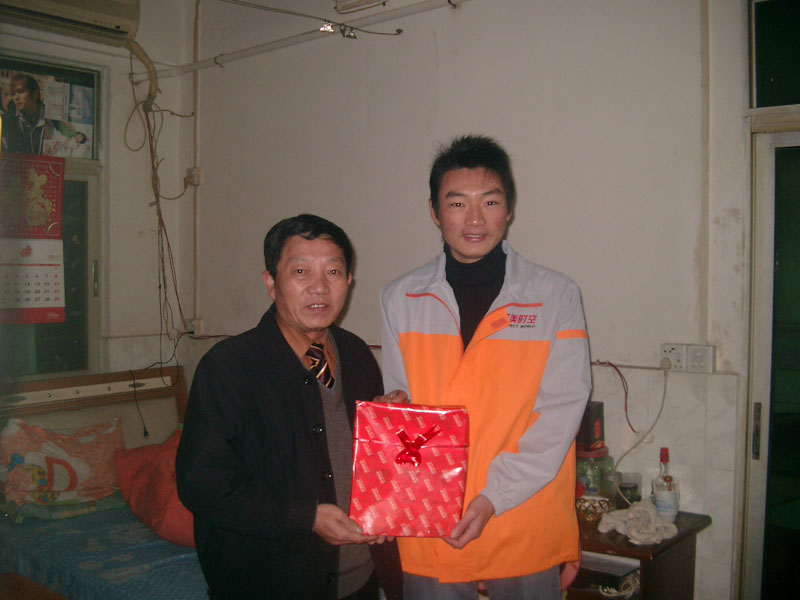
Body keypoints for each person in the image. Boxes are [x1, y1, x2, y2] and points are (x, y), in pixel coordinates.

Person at [380, 135, 591, 599]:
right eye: (457, 203)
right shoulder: (401, 298)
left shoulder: (554, 296)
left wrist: (495, 495)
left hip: (523, 515)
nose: (474, 219)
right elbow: (402, 409)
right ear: (435, 212)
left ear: (509, 209)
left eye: (490, 202)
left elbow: (560, 414)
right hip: (434, 520)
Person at [176, 214, 403, 600]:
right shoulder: (229, 368)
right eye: (301, 271)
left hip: (361, 580)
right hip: (272, 583)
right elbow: (202, 484)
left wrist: (391, 421)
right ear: (271, 283)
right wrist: (306, 517)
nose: (319, 286)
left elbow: (368, 460)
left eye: (333, 271)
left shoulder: (356, 354)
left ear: (349, 281)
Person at [1, 72, 86, 155]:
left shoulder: (49, 117)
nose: (16, 97)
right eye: (13, 94)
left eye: (21, 91)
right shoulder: (6, 121)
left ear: (35, 94)